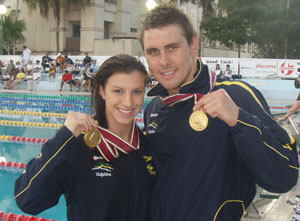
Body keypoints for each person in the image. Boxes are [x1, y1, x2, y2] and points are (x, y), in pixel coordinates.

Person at [139, 4, 299, 221]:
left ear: (193, 46)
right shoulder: (154, 109)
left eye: (172, 47)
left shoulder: (237, 96)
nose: (163, 61)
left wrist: (239, 120)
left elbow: (285, 176)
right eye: (153, 52)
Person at [14, 54, 156, 221]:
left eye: (137, 92)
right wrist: (64, 136)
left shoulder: (150, 145)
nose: (128, 102)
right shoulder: (77, 146)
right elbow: (27, 200)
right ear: (102, 91)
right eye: (118, 91)